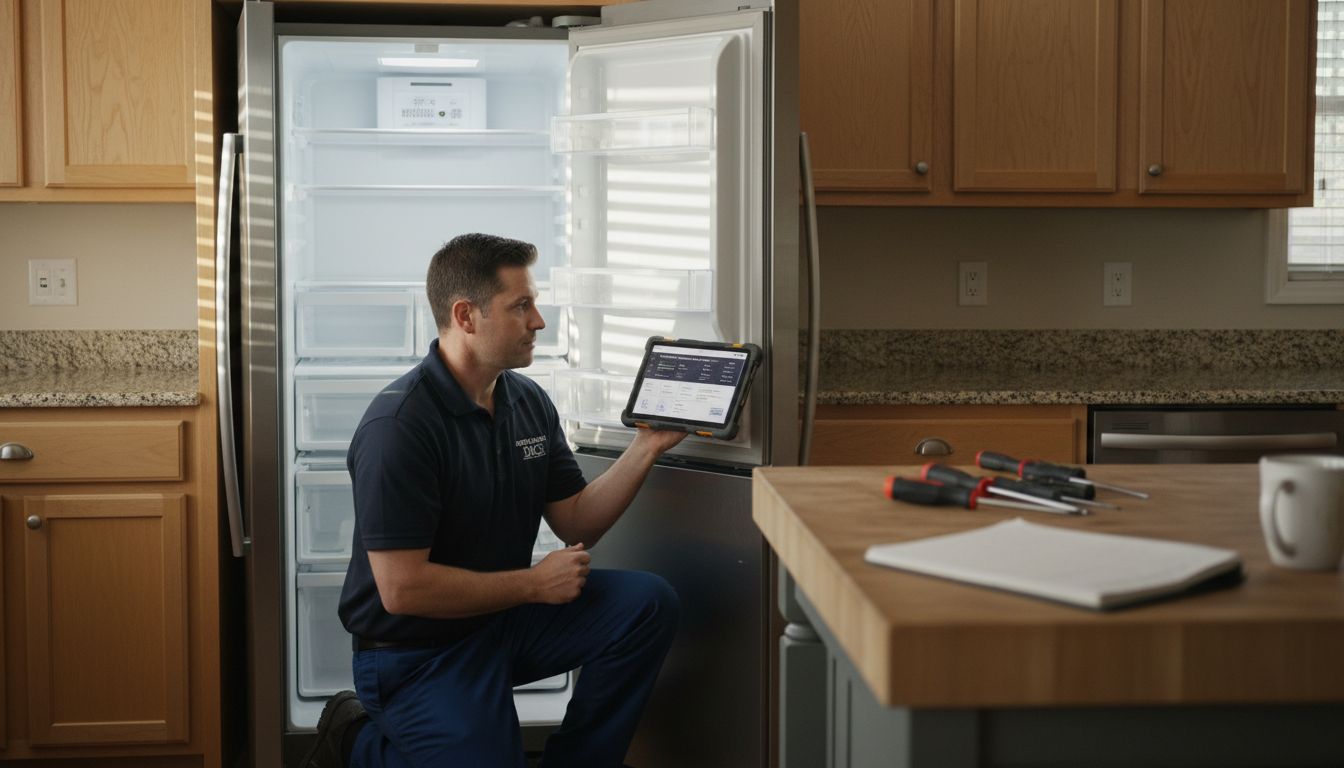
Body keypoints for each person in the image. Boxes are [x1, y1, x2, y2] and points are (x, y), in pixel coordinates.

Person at [302, 233, 686, 768]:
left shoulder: (526, 401)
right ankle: (355, 744)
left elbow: (576, 518)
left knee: (646, 604)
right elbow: (401, 589)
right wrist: (533, 583)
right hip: (416, 655)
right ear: (466, 315)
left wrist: (648, 445)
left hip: (501, 621)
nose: (539, 322)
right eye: (521, 306)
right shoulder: (400, 427)